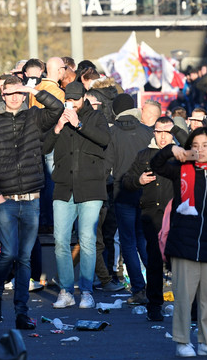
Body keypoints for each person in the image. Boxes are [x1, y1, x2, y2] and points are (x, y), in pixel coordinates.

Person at [0, 75, 63, 330]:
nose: (14, 97)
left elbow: (57, 107)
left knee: (24, 258)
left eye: (19, 93)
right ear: (2, 96)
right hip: (6, 200)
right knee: (10, 253)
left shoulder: (34, 117)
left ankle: (21, 311)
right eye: (9, 93)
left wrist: (31, 88)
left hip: (32, 199)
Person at [150, 128, 207, 357]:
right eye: (196, 145)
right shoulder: (181, 170)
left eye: (206, 145)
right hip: (183, 243)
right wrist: (171, 149)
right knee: (184, 297)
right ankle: (182, 342)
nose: (200, 149)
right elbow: (156, 165)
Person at [42, 82, 110, 310]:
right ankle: (66, 291)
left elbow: (104, 140)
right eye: (68, 99)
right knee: (60, 240)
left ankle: (87, 291)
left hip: (91, 187)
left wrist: (78, 124)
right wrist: (58, 127)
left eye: (75, 99)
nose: (71, 103)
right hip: (63, 186)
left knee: (88, 241)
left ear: (84, 98)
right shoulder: (57, 116)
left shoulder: (96, 117)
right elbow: (44, 147)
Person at [122, 116, 176, 321]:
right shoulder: (144, 155)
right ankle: (154, 306)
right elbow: (127, 181)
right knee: (154, 260)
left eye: (167, 132)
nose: (163, 137)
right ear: (153, 133)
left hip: (176, 214)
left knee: (181, 262)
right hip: (151, 214)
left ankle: (190, 306)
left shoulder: (180, 155)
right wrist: (139, 180)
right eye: (159, 132)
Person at [107, 93, 152, 305]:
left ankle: (138, 288)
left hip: (122, 190)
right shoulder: (147, 131)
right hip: (146, 191)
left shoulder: (112, 133)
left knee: (128, 242)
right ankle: (154, 284)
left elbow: (107, 165)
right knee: (143, 239)